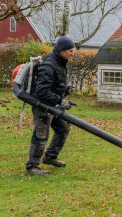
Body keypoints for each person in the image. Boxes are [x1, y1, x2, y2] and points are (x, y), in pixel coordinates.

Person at [25, 36, 76, 176]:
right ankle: (32, 167)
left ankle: (50, 157)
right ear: (61, 50)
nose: (72, 53)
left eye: (73, 50)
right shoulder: (48, 65)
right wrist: (60, 101)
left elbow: (52, 84)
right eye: (70, 51)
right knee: (41, 134)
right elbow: (42, 91)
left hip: (52, 104)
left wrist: (63, 89)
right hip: (42, 105)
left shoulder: (60, 62)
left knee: (63, 129)